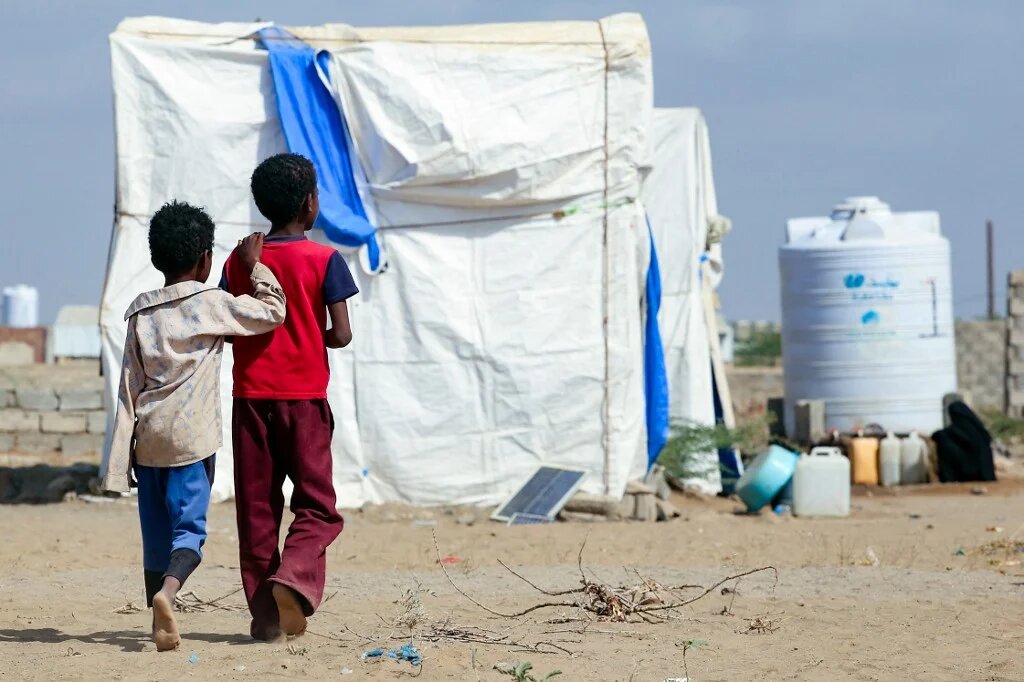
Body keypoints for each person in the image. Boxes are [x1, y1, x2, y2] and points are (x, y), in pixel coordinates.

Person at [103, 201, 287, 651]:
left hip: (148, 443)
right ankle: (169, 593)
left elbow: (128, 389)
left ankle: (156, 615)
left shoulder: (140, 314)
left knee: (156, 537)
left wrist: (117, 462)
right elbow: (272, 311)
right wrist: (255, 266)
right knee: (189, 532)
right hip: (191, 441)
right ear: (206, 258)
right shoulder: (212, 304)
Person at [220, 153, 358, 641]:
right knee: (318, 506)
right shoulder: (324, 259)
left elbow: (231, 325)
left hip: (250, 400)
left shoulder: (239, 263)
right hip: (303, 401)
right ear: (309, 204)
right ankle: (294, 579)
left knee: (257, 509)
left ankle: (266, 618)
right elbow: (340, 335)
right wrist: (305, 331)